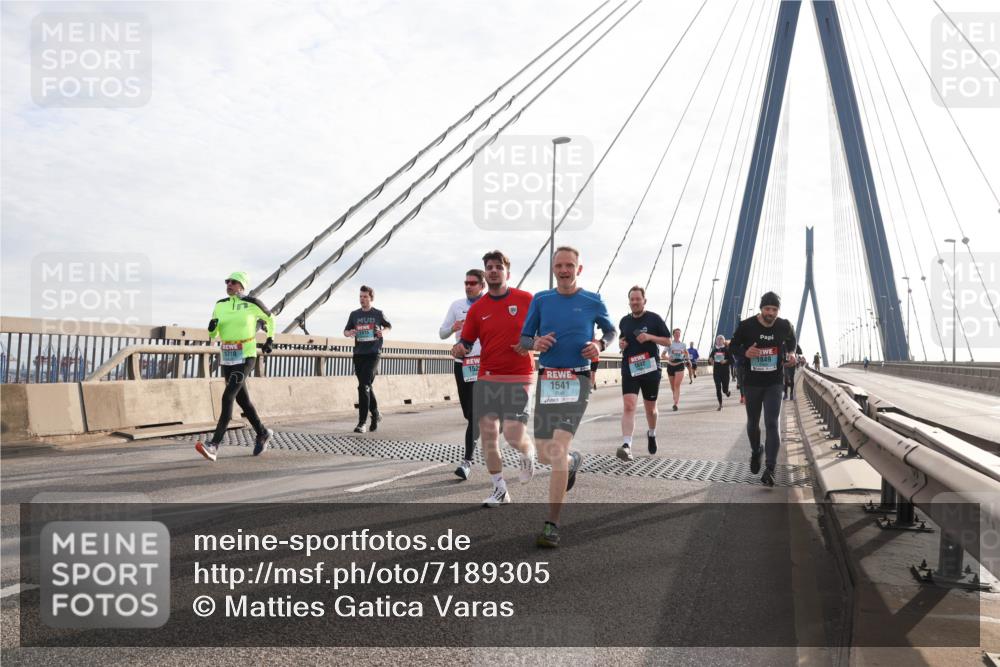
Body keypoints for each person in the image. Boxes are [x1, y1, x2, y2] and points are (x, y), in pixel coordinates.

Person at [520, 246, 615, 547]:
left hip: (577, 378)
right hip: (548, 378)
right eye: (559, 265)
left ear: (579, 269)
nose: (564, 270)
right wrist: (535, 342)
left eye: (569, 265)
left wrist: (599, 344)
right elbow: (523, 340)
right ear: (553, 269)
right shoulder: (541, 299)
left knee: (557, 449)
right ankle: (573, 461)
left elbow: (611, 332)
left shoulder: (592, 300)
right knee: (547, 453)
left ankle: (552, 524)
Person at [452, 250, 535, 507]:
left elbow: (543, 334)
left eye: (498, 266)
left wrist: (529, 342)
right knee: (488, 433)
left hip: (519, 375)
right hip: (487, 376)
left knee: (512, 434)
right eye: (489, 267)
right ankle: (500, 488)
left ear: (507, 272)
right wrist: (459, 348)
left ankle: (527, 451)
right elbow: (465, 341)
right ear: (485, 273)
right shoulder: (478, 309)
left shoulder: (527, 300)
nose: (494, 270)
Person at [195, 271, 275, 462]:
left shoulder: (252, 303)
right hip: (228, 356)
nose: (229, 284)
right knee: (243, 401)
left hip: (246, 355)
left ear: (242, 286)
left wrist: (270, 339)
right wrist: (212, 327)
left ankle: (214, 444)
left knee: (228, 396)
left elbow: (271, 318)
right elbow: (213, 334)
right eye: (227, 281)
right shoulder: (220, 305)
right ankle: (262, 433)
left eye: (234, 282)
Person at [730, 291, 797, 487]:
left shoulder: (784, 325)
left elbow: (792, 341)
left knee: (772, 422)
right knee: (752, 423)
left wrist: (791, 353)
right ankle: (756, 450)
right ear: (761, 309)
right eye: (767, 309)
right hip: (752, 382)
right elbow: (732, 347)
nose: (771, 313)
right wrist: (745, 352)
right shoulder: (747, 326)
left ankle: (770, 468)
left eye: (774, 309)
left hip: (774, 382)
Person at [439, 269, 485, 480]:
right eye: (466, 283)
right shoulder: (456, 306)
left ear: (482, 286)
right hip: (462, 365)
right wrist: (453, 328)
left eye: (473, 283)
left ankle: (466, 461)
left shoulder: (488, 306)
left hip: (483, 365)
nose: (468, 286)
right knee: (469, 415)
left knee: (474, 415)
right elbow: (442, 333)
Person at [616, 286, 670, 462]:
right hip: (630, 367)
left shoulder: (654, 319)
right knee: (629, 405)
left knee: (650, 408)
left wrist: (649, 338)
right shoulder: (624, 321)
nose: (634, 302)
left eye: (638, 299)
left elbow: (668, 341)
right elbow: (622, 339)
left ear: (644, 301)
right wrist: (621, 344)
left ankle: (652, 433)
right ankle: (626, 445)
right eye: (632, 299)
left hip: (650, 368)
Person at [344, 286, 391, 433]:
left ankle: (361, 423)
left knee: (363, 386)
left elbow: (389, 326)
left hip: (373, 354)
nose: (362, 299)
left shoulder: (378, 313)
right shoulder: (354, 314)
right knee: (366, 386)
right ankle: (376, 413)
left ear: (371, 298)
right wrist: (349, 332)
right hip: (359, 354)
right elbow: (345, 331)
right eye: (360, 296)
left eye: (365, 297)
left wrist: (382, 332)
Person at [662, 328, 690, 411]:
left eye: (679, 333)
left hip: (680, 365)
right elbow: (662, 355)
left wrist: (688, 359)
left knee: (677, 385)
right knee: (672, 386)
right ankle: (675, 398)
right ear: (673, 335)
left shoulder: (683, 344)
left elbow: (686, 352)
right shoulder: (669, 344)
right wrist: (668, 358)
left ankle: (675, 403)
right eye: (676, 333)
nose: (677, 335)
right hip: (671, 366)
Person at [708, 334, 731, 410]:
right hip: (716, 372)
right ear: (716, 341)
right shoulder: (714, 350)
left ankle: (727, 392)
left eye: (721, 339)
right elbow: (710, 359)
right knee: (718, 387)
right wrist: (710, 360)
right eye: (718, 339)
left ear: (724, 341)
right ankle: (720, 404)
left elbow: (732, 361)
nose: (719, 340)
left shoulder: (727, 350)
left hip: (725, 372)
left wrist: (725, 361)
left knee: (724, 389)